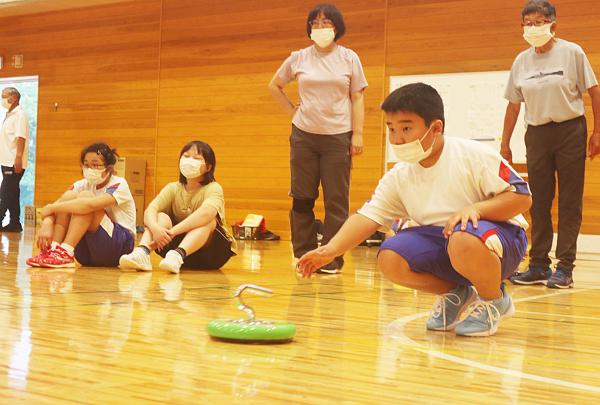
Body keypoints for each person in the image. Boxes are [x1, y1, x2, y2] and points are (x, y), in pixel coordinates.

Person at [298, 83, 532, 337]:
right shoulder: (399, 175)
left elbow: (522, 197)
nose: (398, 138)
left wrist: (477, 209)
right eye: (392, 129)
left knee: (463, 236)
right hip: (447, 243)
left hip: (498, 243)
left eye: (406, 128)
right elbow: (368, 216)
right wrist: (331, 250)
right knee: (390, 257)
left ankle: (494, 300)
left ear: (436, 128)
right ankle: (456, 293)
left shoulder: (473, 155)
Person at [502, 0, 600, 289]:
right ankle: (539, 265)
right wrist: (505, 143)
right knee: (539, 200)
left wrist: (597, 133)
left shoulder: (572, 52)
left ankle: (565, 267)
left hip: (571, 130)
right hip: (537, 134)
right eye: (528, 23)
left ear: (553, 24)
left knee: (570, 200)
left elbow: (594, 93)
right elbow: (512, 105)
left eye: (539, 21)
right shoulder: (521, 61)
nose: (533, 27)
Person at [268, 3, 368, 274]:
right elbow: (274, 85)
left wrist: (357, 134)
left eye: (327, 23)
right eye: (316, 23)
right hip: (304, 136)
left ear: (337, 27)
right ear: (309, 28)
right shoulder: (298, 57)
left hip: (338, 137)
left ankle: (331, 258)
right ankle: (303, 255)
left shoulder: (349, 58)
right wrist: (292, 111)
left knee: (336, 200)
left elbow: (357, 96)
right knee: (302, 197)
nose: (321, 27)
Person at [119, 140, 236, 274]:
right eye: (186, 156)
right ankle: (142, 252)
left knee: (209, 221)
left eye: (196, 158)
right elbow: (150, 210)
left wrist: (172, 232)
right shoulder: (173, 188)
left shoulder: (213, 188)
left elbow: (207, 213)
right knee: (160, 217)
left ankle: (178, 255)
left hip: (211, 255)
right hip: (170, 249)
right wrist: (157, 229)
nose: (189, 161)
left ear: (208, 167)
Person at [27, 143, 136, 268]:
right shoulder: (82, 184)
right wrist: (47, 223)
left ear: (109, 168)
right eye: (86, 164)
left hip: (119, 248)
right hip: (87, 252)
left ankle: (65, 252)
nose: (89, 169)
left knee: (85, 198)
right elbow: (58, 204)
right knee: (69, 198)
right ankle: (54, 249)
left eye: (95, 165)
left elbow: (89, 205)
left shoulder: (119, 183)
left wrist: (51, 209)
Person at [0, 87, 29, 232]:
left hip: (13, 162)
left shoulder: (20, 114)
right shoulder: (9, 115)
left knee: (4, 192)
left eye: (4, 96)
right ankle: (15, 223)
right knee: (12, 192)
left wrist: (18, 158)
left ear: (14, 98)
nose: (2, 99)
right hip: (5, 161)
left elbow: (21, 137)